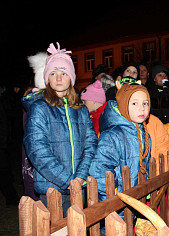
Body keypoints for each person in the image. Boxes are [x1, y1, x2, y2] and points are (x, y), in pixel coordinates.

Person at [23, 42, 98, 216]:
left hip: (79, 186)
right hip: (52, 189)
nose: (58, 78)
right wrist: (67, 180)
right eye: (53, 73)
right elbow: (37, 150)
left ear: (71, 78)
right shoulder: (39, 109)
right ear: (47, 78)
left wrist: (80, 176)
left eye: (63, 73)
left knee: (77, 229)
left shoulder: (81, 110)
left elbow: (91, 144)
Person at [89, 83, 151, 218]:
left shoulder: (144, 134)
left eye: (145, 103)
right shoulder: (112, 135)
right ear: (123, 105)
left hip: (134, 199)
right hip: (114, 205)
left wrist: (146, 186)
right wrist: (115, 193)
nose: (142, 108)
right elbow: (99, 169)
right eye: (135, 103)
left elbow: (144, 164)